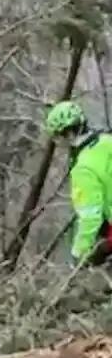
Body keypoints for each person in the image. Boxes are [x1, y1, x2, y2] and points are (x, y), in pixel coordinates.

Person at [45, 100, 112, 266]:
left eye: (57, 137)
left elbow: (91, 216)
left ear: (68, 134)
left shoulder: (82, 169)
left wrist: (79, 253)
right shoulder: (107, 141)